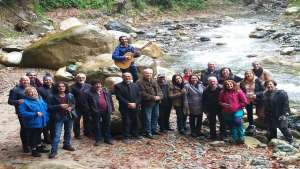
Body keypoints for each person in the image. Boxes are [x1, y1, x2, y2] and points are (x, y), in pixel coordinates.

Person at [18, 87, 49, 157]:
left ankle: (39, 147)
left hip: (41, 122)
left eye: (34, 91)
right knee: (33, 137)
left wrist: (47, 117)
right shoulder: (24, 102)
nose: (33, 93)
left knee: (38, 135)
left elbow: (45, 108)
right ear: (27, 94)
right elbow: (21, 113)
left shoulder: (39, 99)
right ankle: (34, 150)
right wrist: (34, 114)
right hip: (32, 123)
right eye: (31, 92)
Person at [48, 82, 76, 159]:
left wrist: (71, 108)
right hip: (58, 118)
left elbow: (73, 104)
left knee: (68, 132)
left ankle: (67, 145)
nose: (61, 88)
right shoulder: (52, 96)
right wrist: (59, 106)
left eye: (63, 86)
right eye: (59, 86)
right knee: (57, 134)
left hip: (69, 117)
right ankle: (53, 151)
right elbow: (49, 107)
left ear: (65, 87)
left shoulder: (70, 95)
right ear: (56, 88)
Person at [115, 72, 142, 143]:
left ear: (131, 77)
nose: (127, 78)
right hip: (125, 107)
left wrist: (135, 103)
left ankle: (135, 134)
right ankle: (125, 137)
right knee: (126, 122)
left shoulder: (135, 85)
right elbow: (119, 97)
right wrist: (128, 103)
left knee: (135, 121)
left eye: (129, 76)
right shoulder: (118, 86)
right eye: (126, 76)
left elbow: (139, 96)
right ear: (122, 77)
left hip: (135, 106)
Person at [86, 80, 115, 146]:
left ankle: (107, 139)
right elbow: (86, 104)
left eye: (99, 84)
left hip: (106, 111)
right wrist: (90, 112)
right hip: (95, 112)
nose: (98, 85)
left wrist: (112, 109)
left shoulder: (106, 91)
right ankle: (98, 140)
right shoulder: (88, 93)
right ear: (92, 86)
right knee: (97, 126)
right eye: (96, 84)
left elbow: (110, 100)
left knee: (107, 125)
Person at [219, 80, 248, 144]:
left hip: (238, 110)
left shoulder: (238, 91)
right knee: (231, 124)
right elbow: (220, 101)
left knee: (237, 121)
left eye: (230, 84)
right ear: (225, 86)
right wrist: (223, 104)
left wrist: (237, 106)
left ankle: (241, 137)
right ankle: (234, 138)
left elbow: (245, 102)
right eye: (227, 84)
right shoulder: (222, 92)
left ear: (233, 84)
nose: (229, 85)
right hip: (226, 111)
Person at [138, 68, 163, 139]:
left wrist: (160, 96)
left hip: (156, 102)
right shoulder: (139, 82)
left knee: (156, 116)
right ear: (143, 74)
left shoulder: (154, 81)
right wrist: (153, 97)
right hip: (147, 103)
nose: (149, 75)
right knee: (147, 118)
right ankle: (147, 132)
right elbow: (141, 93)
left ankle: (153, 130)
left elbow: (159, 90)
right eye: (147, 73)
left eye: (150, 73)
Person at [8, 76, 31, 153]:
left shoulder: (31, 88)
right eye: (23, 80)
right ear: (20, 81)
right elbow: (10, 101)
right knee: (24, 128)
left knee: (32, 127)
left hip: (32, 111)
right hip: (22, 112)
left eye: (27, 80)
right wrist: (17, 101)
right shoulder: (15, 90)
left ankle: (31, 143)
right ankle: (25, 146)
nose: (25, 81)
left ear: (29, 81)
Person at [240, 70, 265, 136]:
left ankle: (264, 125)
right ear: (245, 75)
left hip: (258, 99)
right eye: (247, 74)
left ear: (253, 74)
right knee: (249, 113)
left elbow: (263, 90)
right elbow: (241, 91)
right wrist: (243, 96)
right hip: (247, 99)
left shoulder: (257, 81)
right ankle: (251, 125)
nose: (248, 75)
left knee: (260, 113)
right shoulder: (242, 82)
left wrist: (256, 94)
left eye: (250, 74)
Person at [70, 73, 92, 139]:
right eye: (79, 77)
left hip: (87, 106)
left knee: (87, 120)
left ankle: (87, 132)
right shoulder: (72, 87)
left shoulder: (89, 86)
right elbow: (70, 97)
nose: (81, 79)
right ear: (76, 78)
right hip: (77, 107)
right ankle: (77, 134)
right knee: (76, 121)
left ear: (85, 79)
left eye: (83, 77)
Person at [37, 74, 54, 143]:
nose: (48, 81)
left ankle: (53, 138)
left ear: (52, 81)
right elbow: (39, 100)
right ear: (43, 81)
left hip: (55, 109)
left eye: (49, 80)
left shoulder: (55, 87)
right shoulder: (40, 89)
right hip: (45, 110)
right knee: (46, 126)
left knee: (54, 125)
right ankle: (47, 139)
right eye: (46, 80)